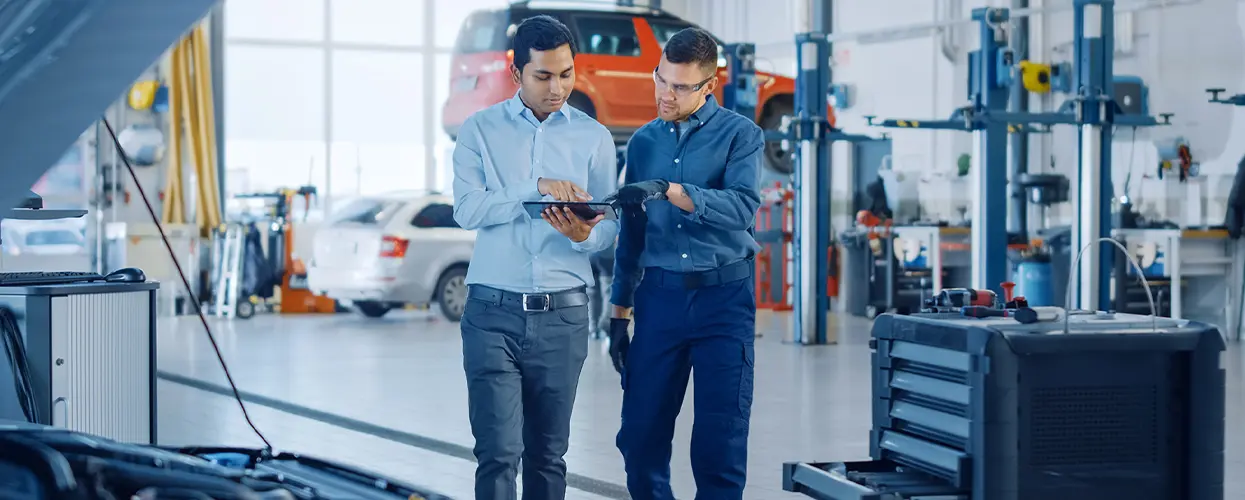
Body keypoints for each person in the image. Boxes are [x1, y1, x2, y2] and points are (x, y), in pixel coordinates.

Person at [450, 14, 618, 500]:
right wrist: (535, 189)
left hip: (564, 316)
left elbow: (610, 228)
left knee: (548, 456)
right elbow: (467, 209)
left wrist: (585, 234)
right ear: (515, 71)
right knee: (498, 453)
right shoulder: (479, 130)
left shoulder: (593, 137)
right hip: (491, 315)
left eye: (565, 74)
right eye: (543, 75)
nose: (557, 87)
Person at [605, 27, 764, 500]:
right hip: (660, 300)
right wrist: (618, 314)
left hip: (724, 300)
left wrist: (675, 193)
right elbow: (632, 237)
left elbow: (742, 208)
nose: (665, 94)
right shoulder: (643, 144)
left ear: (709, 86)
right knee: (640, 434)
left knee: (720, 442)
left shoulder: (742, 135)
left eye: (680, 86)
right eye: (661, 79)